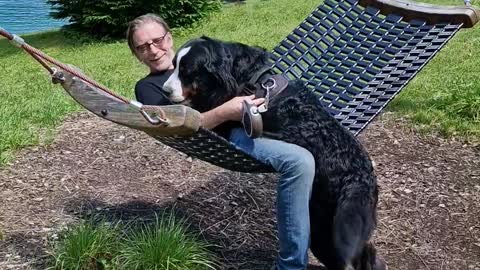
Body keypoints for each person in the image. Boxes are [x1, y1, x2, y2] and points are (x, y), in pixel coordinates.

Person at [127, 14, 315, 270]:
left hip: (257, 116)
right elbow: (174, 129)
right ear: (136, 54)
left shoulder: (197, 58)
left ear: (169, 38)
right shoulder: (148, 88)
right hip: (226, 136)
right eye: (142, 46)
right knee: (300, 162)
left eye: (157, 40)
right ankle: (291, 265)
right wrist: (227, 111)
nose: (153, 49)